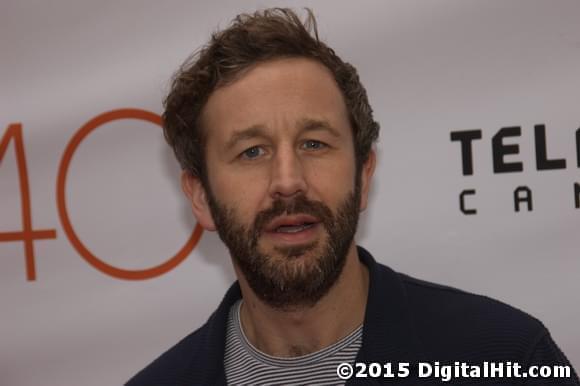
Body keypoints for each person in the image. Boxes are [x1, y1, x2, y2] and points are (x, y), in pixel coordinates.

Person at [127, 8, 578, 386]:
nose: (288, 181)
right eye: (252, 151)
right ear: (201, 196)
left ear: (364, 172)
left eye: (314, 143)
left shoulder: (506, 360)